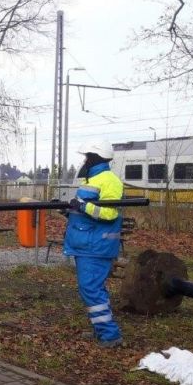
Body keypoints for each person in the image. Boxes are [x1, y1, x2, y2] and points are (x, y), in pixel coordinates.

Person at [63, 140, 124, 348]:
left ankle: (110, 336)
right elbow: (86, 210)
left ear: (96, 157)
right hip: (87, 243)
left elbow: (108, 212)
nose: (85, 160)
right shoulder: (95, 178)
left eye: (87, 156)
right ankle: (102, 331)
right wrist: (70, 210)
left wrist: (82, 206)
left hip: (96, 246)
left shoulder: (109, 181)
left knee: (90, 288)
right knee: (92, 288)